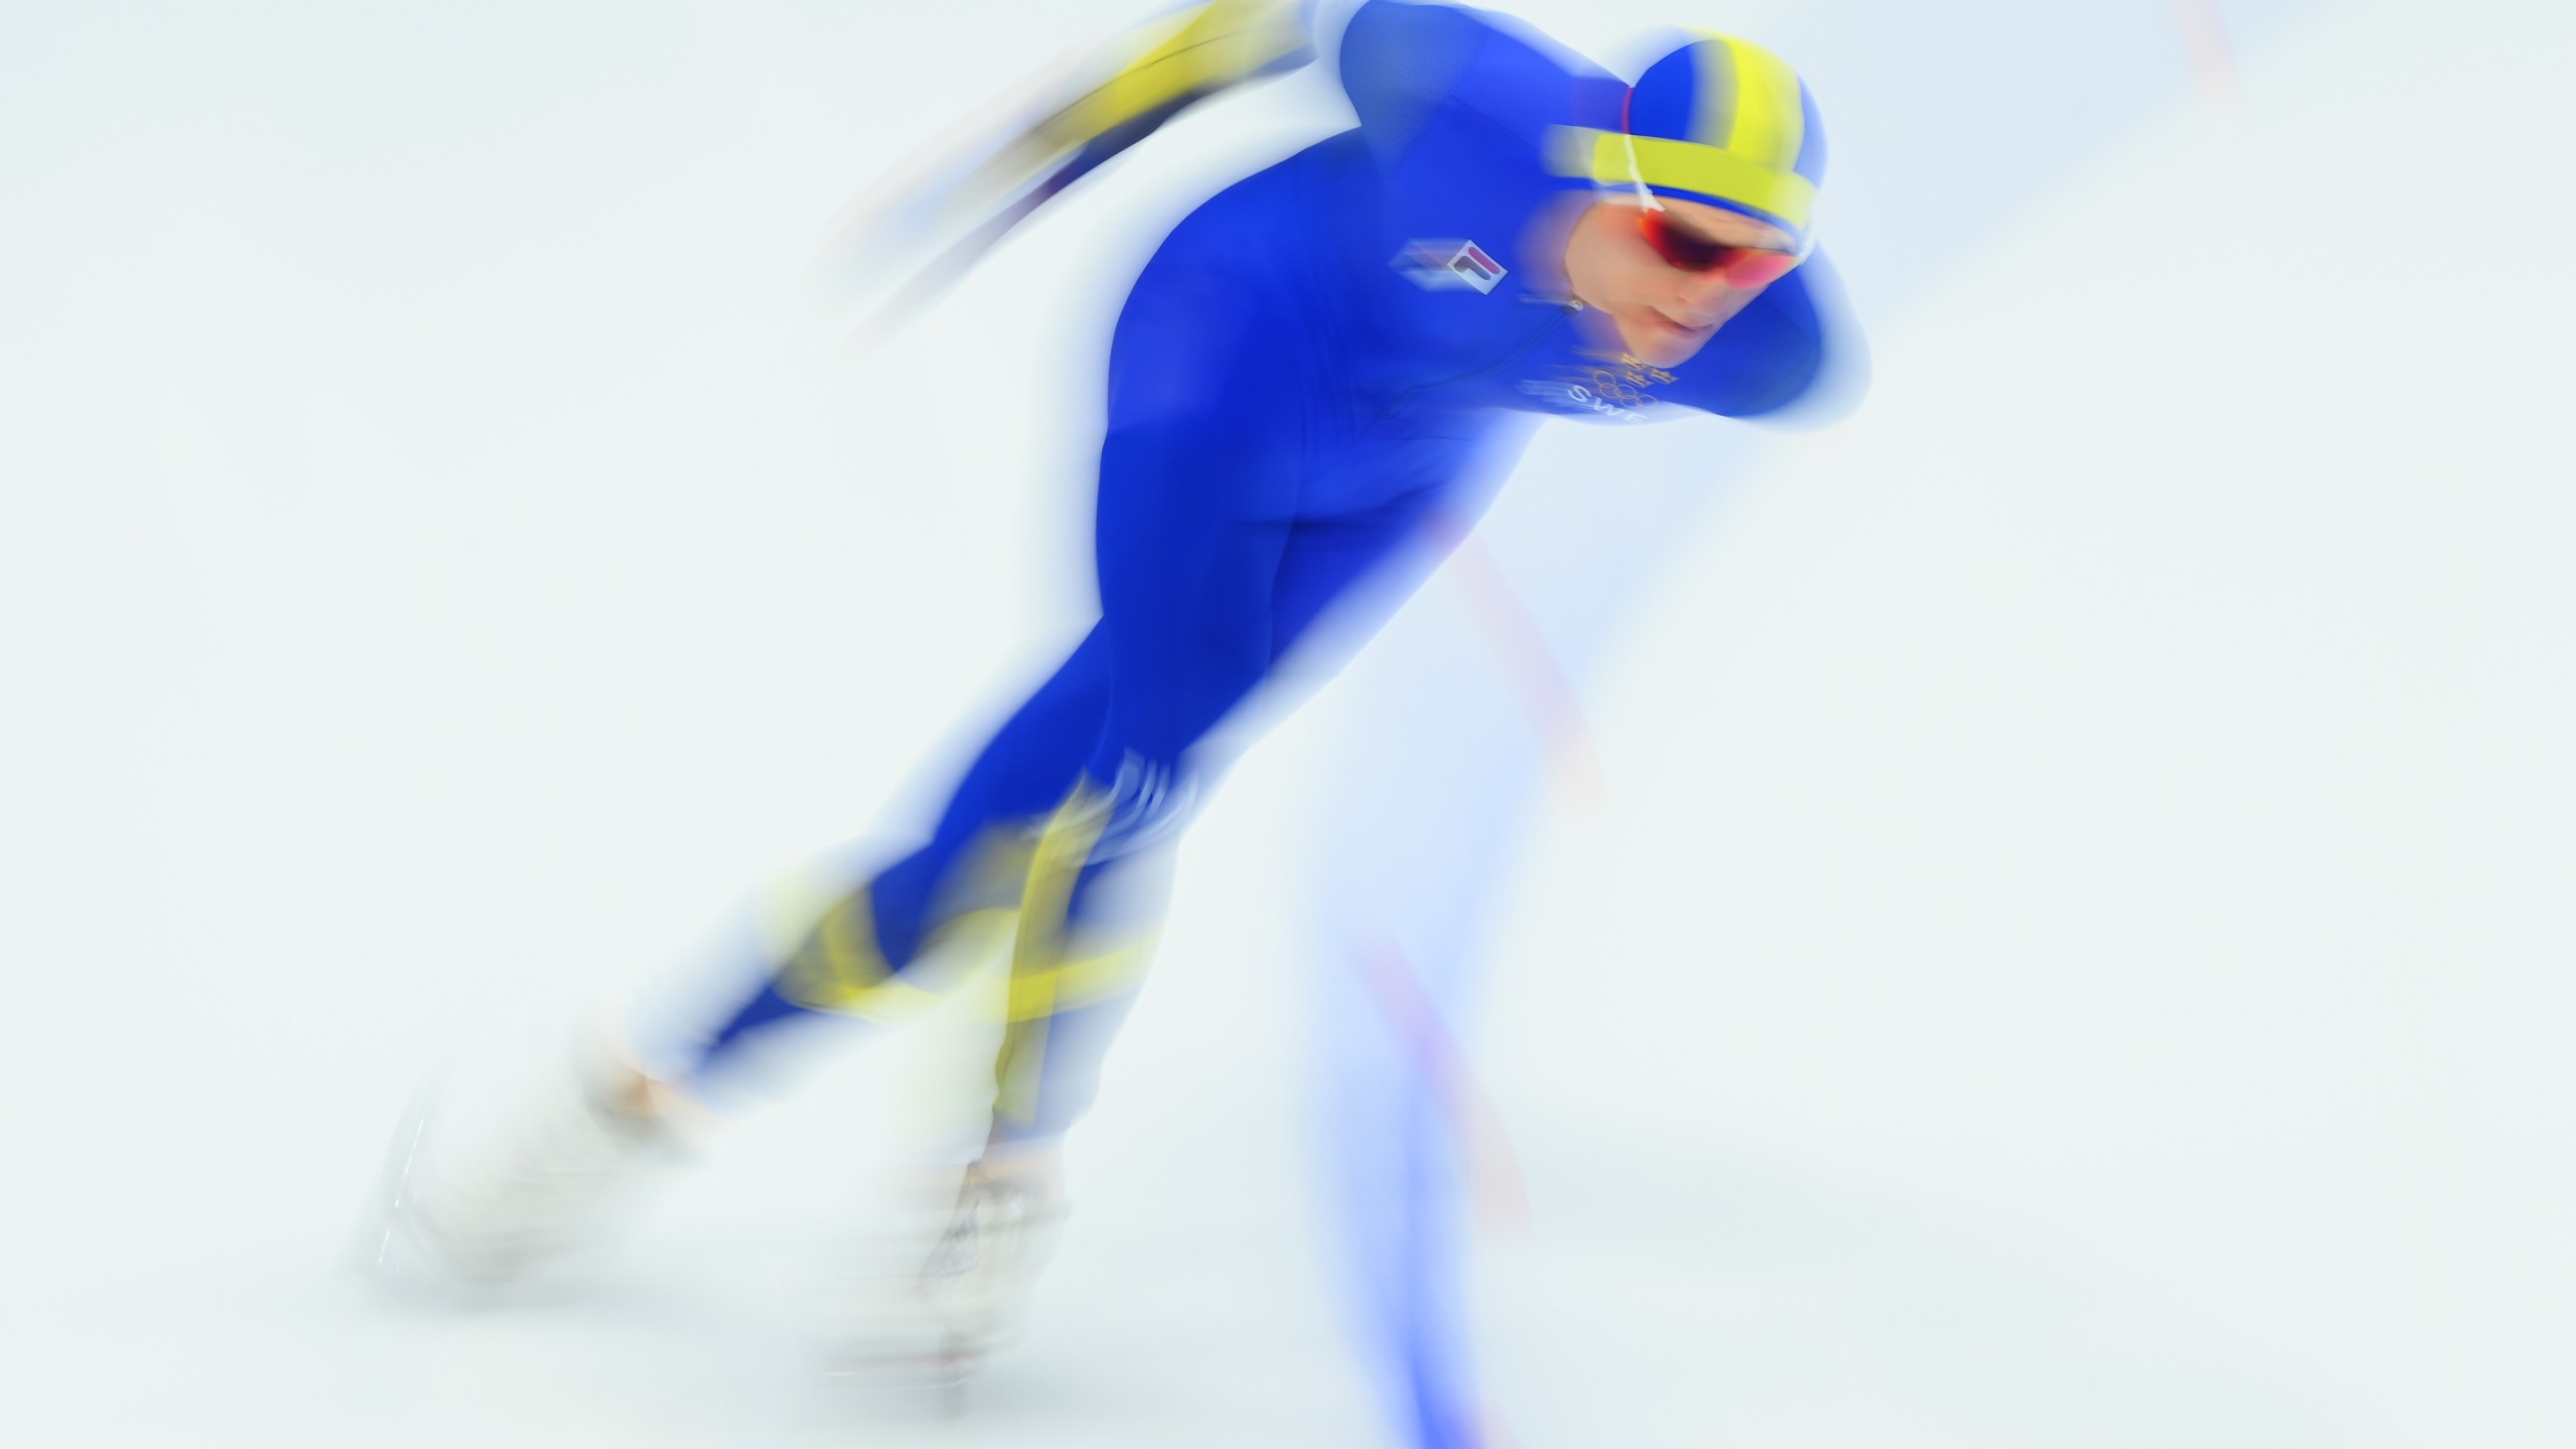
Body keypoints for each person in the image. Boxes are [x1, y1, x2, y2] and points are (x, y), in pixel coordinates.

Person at [377, 0, 1862, 1396]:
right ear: (1599, 174)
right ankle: (776, 1126)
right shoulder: (1478, 103)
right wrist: (1039, 153)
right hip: (1215, 368)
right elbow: (1268, 22)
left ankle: (802, 1134)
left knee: (1081, 807)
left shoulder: (1769, 356)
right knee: (1112, 777)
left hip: (1386, 473)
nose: (1704, 302)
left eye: (1755, 265)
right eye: (1680, 242)